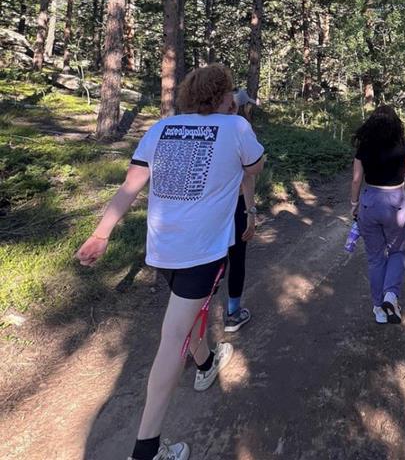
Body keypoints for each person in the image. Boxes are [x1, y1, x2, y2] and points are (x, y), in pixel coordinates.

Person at [76, 64, 265, 460]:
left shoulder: (162, 128)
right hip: (204, 251)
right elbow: (254, 170)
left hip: (163, 250)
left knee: (186, 314)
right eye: (230, 93)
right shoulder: (237, 129)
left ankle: (207, 362)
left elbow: (130, 186)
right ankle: (147, 448)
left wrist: (102, 232)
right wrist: (236, 125)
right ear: (224, 96)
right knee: (172, 336)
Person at [350, 105, 405, 324]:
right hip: (395, 202)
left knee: (375, 258)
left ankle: (379, 309)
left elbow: (356, 179)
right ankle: (391, 294)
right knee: (397, 251)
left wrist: (354, 203)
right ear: (396, 122)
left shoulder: (364, 146)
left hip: (369, 202)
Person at [224, 89, 259, 332]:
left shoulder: (210, 128)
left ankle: (196, 318)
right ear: (242, 108)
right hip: (236, 204)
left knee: (211, 262)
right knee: (237, 259)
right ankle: (233, 313)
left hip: (210, 207)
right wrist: (251, 213)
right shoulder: (242, 130)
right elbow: (249, 177)